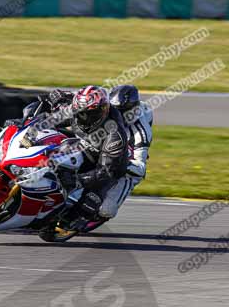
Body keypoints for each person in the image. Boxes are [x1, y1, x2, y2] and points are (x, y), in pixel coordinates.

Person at [30, 84, 152, 224]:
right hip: (98, 141)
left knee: (106, 210)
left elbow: (140, 167)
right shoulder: (105, 109)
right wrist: (59, 96)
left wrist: (118, 163)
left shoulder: (141, 132)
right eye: (112, 108)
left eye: (121, 111)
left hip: (125, 163)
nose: (116, 113)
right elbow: (81, 100)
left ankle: (87, 217)